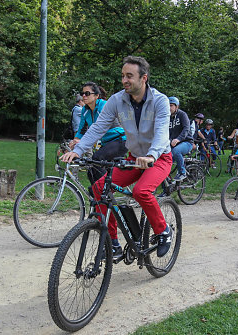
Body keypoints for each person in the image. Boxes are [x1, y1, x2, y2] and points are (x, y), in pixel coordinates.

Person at [61, 56, 173, 258]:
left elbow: (162, 132)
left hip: (158, 158)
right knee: (98, 189)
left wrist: (151, 155)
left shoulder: (160, 101)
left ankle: (163, 231)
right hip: (133, 158)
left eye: (129, 76)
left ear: (143, 78)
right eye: (123, 76)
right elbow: (98, 128)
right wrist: (77, 151)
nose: (124, 80)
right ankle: (112, 242)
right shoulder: (116, 100)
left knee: (141, 191)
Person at [69, 82, 128, 185]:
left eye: (87, 93)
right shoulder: (85, 110)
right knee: (91, 170)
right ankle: (98, 197)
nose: (83, 96)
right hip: (107, 143)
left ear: (96, 95)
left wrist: (83, 142)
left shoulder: (104, 106)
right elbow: (82, 129)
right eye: (82, 93)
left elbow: (100, 127)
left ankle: (104, 192)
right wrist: (76, 140)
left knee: (97, 159)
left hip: (120, 140)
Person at [167, 96, 193, 181]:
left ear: (176, 106)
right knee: (164, 159)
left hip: (186, 142)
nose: (169, 108)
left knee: (176, 151)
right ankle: (166, 188)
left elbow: (186, 128)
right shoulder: (167, 117)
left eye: (171, 105)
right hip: (173, 143)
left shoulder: (182, 115)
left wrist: (178, 139)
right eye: (168, 105)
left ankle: (182, 172)